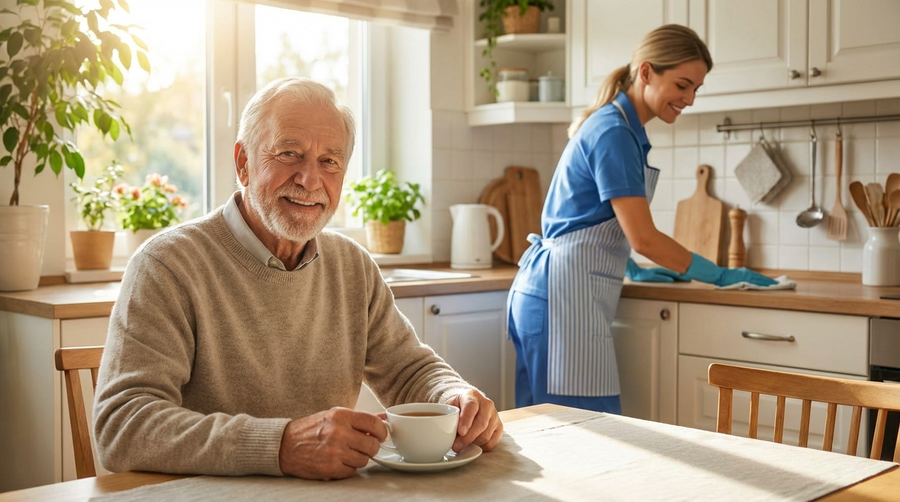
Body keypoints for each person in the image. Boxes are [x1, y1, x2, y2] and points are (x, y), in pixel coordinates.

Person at [93, 77, 503, 481]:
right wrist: (281, 445)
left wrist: (453, 396)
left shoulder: (352, 265)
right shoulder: (167, 264)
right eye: (289, 153)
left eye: (330, 161)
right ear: (243, 163)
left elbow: (408, 371)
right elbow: (122, 426)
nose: (310, 179)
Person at [506, 25, 776, 414]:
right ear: (646, 72)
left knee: (550, 433)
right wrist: (717, 275)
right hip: (561, 300)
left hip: (553, 295)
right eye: (682, 85)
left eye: (696, 89)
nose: (690, 99)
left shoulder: (620, 128)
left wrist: (627, 264)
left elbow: (590, 220)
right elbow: (644, 238)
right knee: (584, 433)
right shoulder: (614, 131)